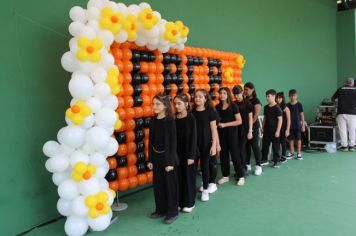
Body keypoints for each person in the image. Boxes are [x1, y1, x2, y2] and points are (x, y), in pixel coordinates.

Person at [147, 94, 179, 224]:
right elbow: (151, 141)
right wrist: (150, 159)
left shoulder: (170, 121)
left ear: (165, 105)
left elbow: (173, 143)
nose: (154, 106)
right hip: (157, 157)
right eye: (153, 104)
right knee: (158, 185)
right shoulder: (153, 120)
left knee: (170, 186)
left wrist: (170, 162)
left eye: (158, 104)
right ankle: (160, 209)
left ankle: (172, 212)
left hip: (168, 158)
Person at [192, 89, 220, 202]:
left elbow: (214, 130)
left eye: (200, 96)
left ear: (205, 99)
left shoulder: (210, 112)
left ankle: (205, 190)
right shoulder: (192, 112)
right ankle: (190, 190)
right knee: (192, 168)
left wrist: (214, 146)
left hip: (206, 144)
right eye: (196, 96)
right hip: (194, 145)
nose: (197, 98)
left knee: (205, 167)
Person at [215, 87, 245, 186]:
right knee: (223, 156)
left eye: (224, 93)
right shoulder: (218, 107)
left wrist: (225, 125)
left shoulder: (234, 106)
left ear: (228, 95)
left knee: (235, 156)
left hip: (232, 135)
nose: (222, 95)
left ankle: (241, 176)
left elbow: (239, 121)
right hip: (222, 135)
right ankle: (225, 176)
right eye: (220, 93)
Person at [174, 94, 198, 213]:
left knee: (188, 178)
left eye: (179, 103)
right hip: (177, 154)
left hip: (189, 153)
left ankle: (190, 202)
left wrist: (191, 156)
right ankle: (180, 202)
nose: (177, 106)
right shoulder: (174, 118)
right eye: (175, 104)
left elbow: (194, 138)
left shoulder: (191, 118)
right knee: (179, 177)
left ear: (186, 104)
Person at [233, 85, 253, 175]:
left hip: (244, 130)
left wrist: (250, 131)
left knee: (242, 150)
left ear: (242, 93)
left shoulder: (248, 103)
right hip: (235, 131)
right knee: (236, 151)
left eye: (237, 94)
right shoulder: (233, 104)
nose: (236, 96)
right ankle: (238, 170)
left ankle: (243, 169)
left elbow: (250, 118)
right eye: (234, 94)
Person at [332, 78, 356, 152]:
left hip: (341, 112)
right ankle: (352, 146)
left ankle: (344, 146)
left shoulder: (340, 89)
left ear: (345, 83)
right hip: (352, 113)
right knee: (352, 130)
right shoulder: (355, 90)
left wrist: (337, 102)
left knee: (342, 130)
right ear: (352, 83)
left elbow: (333, 98)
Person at [244, 82, 262, 175]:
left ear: (252, 90)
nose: (245, 91)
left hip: (253, 127)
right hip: (245, 128)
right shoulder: (244, 100)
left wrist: (250, 127)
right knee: (246, 146)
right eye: (244, 89)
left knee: (254, 146)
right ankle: (247, 164)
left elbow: (255, 116)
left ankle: (259, 166)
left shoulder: (256, 101)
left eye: (247, 89)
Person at [261, 89, 283, 168]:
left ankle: (276, 161)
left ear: (274, 96)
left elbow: (280, 120)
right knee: (265, 145)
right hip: (267, 130)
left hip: (274, 131)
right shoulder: (266, 107)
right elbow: (265, 118)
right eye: (266, 96)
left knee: (275, 146)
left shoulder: (277, 108)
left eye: (268, 96)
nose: (267, 98)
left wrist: (278, 131)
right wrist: (262, 127)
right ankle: (264, 159)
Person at [286, 89, 305, 160]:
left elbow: (302, 115)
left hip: (297, 125)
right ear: (289, 96)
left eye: (294, 95)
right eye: (291, 96)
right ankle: (291, 152)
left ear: (296, 96)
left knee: (298, 139)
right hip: (290, 126)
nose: (292, 97)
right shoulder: (287, 105)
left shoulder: (299, 104)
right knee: (291, 139)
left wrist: (303, 125)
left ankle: (299, 153)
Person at [276, 92, 291, 163]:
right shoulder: (275, 107)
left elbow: (288, 120)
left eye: (280, 98)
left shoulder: (286, 108)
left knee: (283, 143)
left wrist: (287, 129)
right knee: (277, 143)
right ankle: (277, 157)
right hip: (277, 129)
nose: (278, 99)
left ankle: (284, 156)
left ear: (282, 99)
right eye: (277, 98)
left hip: (284, 128)